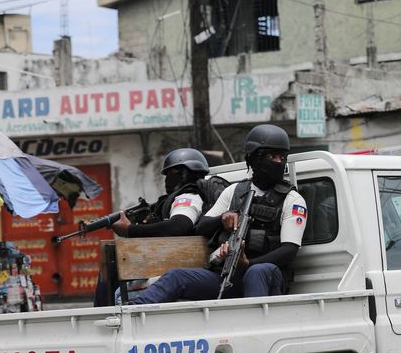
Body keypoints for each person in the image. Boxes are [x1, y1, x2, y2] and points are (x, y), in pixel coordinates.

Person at [129, 124, 307, 304]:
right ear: (254, 158)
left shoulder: (292, 199)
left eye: (281, 157)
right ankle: (131, 314)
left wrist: (247, 264)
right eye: (272, 156)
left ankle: (253, 328)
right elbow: (201, 227)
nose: (278, 162)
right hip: (228, 275)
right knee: (175, 276)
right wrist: (222, 220)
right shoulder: (234, 191)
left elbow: (289, 251)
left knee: (258, 271)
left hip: (267, 280)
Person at [93, 148, 217, 306]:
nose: (166, 180)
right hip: (166, 262)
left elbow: (179, 226)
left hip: (178, 265)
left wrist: (130, 230)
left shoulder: (188, 196)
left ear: (186, 173)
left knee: (117, 283)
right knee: (112, 263)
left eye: (172, 173)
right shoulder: (171, 200)